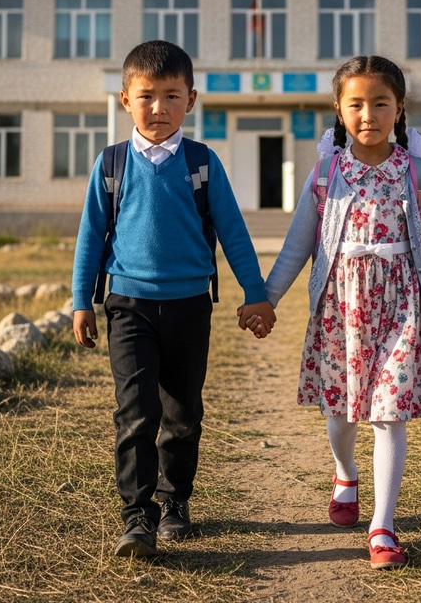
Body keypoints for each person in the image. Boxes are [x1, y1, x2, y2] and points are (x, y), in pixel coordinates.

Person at [72, 40, 276, 559]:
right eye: (146, 97)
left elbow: (233, 233)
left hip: (189, 308)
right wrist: (81, 301)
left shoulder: (202, 164)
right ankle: (136, 516)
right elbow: (91, 237)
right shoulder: (112, 164)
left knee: (183, 412)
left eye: (171, 96)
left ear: (192, 100)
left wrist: (256, 295)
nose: (158, 108)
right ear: (124, 100)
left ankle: (175, 502)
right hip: (128, 307)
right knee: (135, 412)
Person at [261, 55, 421, 570]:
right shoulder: (328, 172)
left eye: (381, 102)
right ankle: (344, 472)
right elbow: (296, 246)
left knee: (389, 411)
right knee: (342, 413)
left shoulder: (415, 171)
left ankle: (382, 526)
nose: (368, 113)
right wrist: (266, 297)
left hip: (403, 306)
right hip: (341, 308)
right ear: (338, 108)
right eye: (356, 103)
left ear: (399, 109)